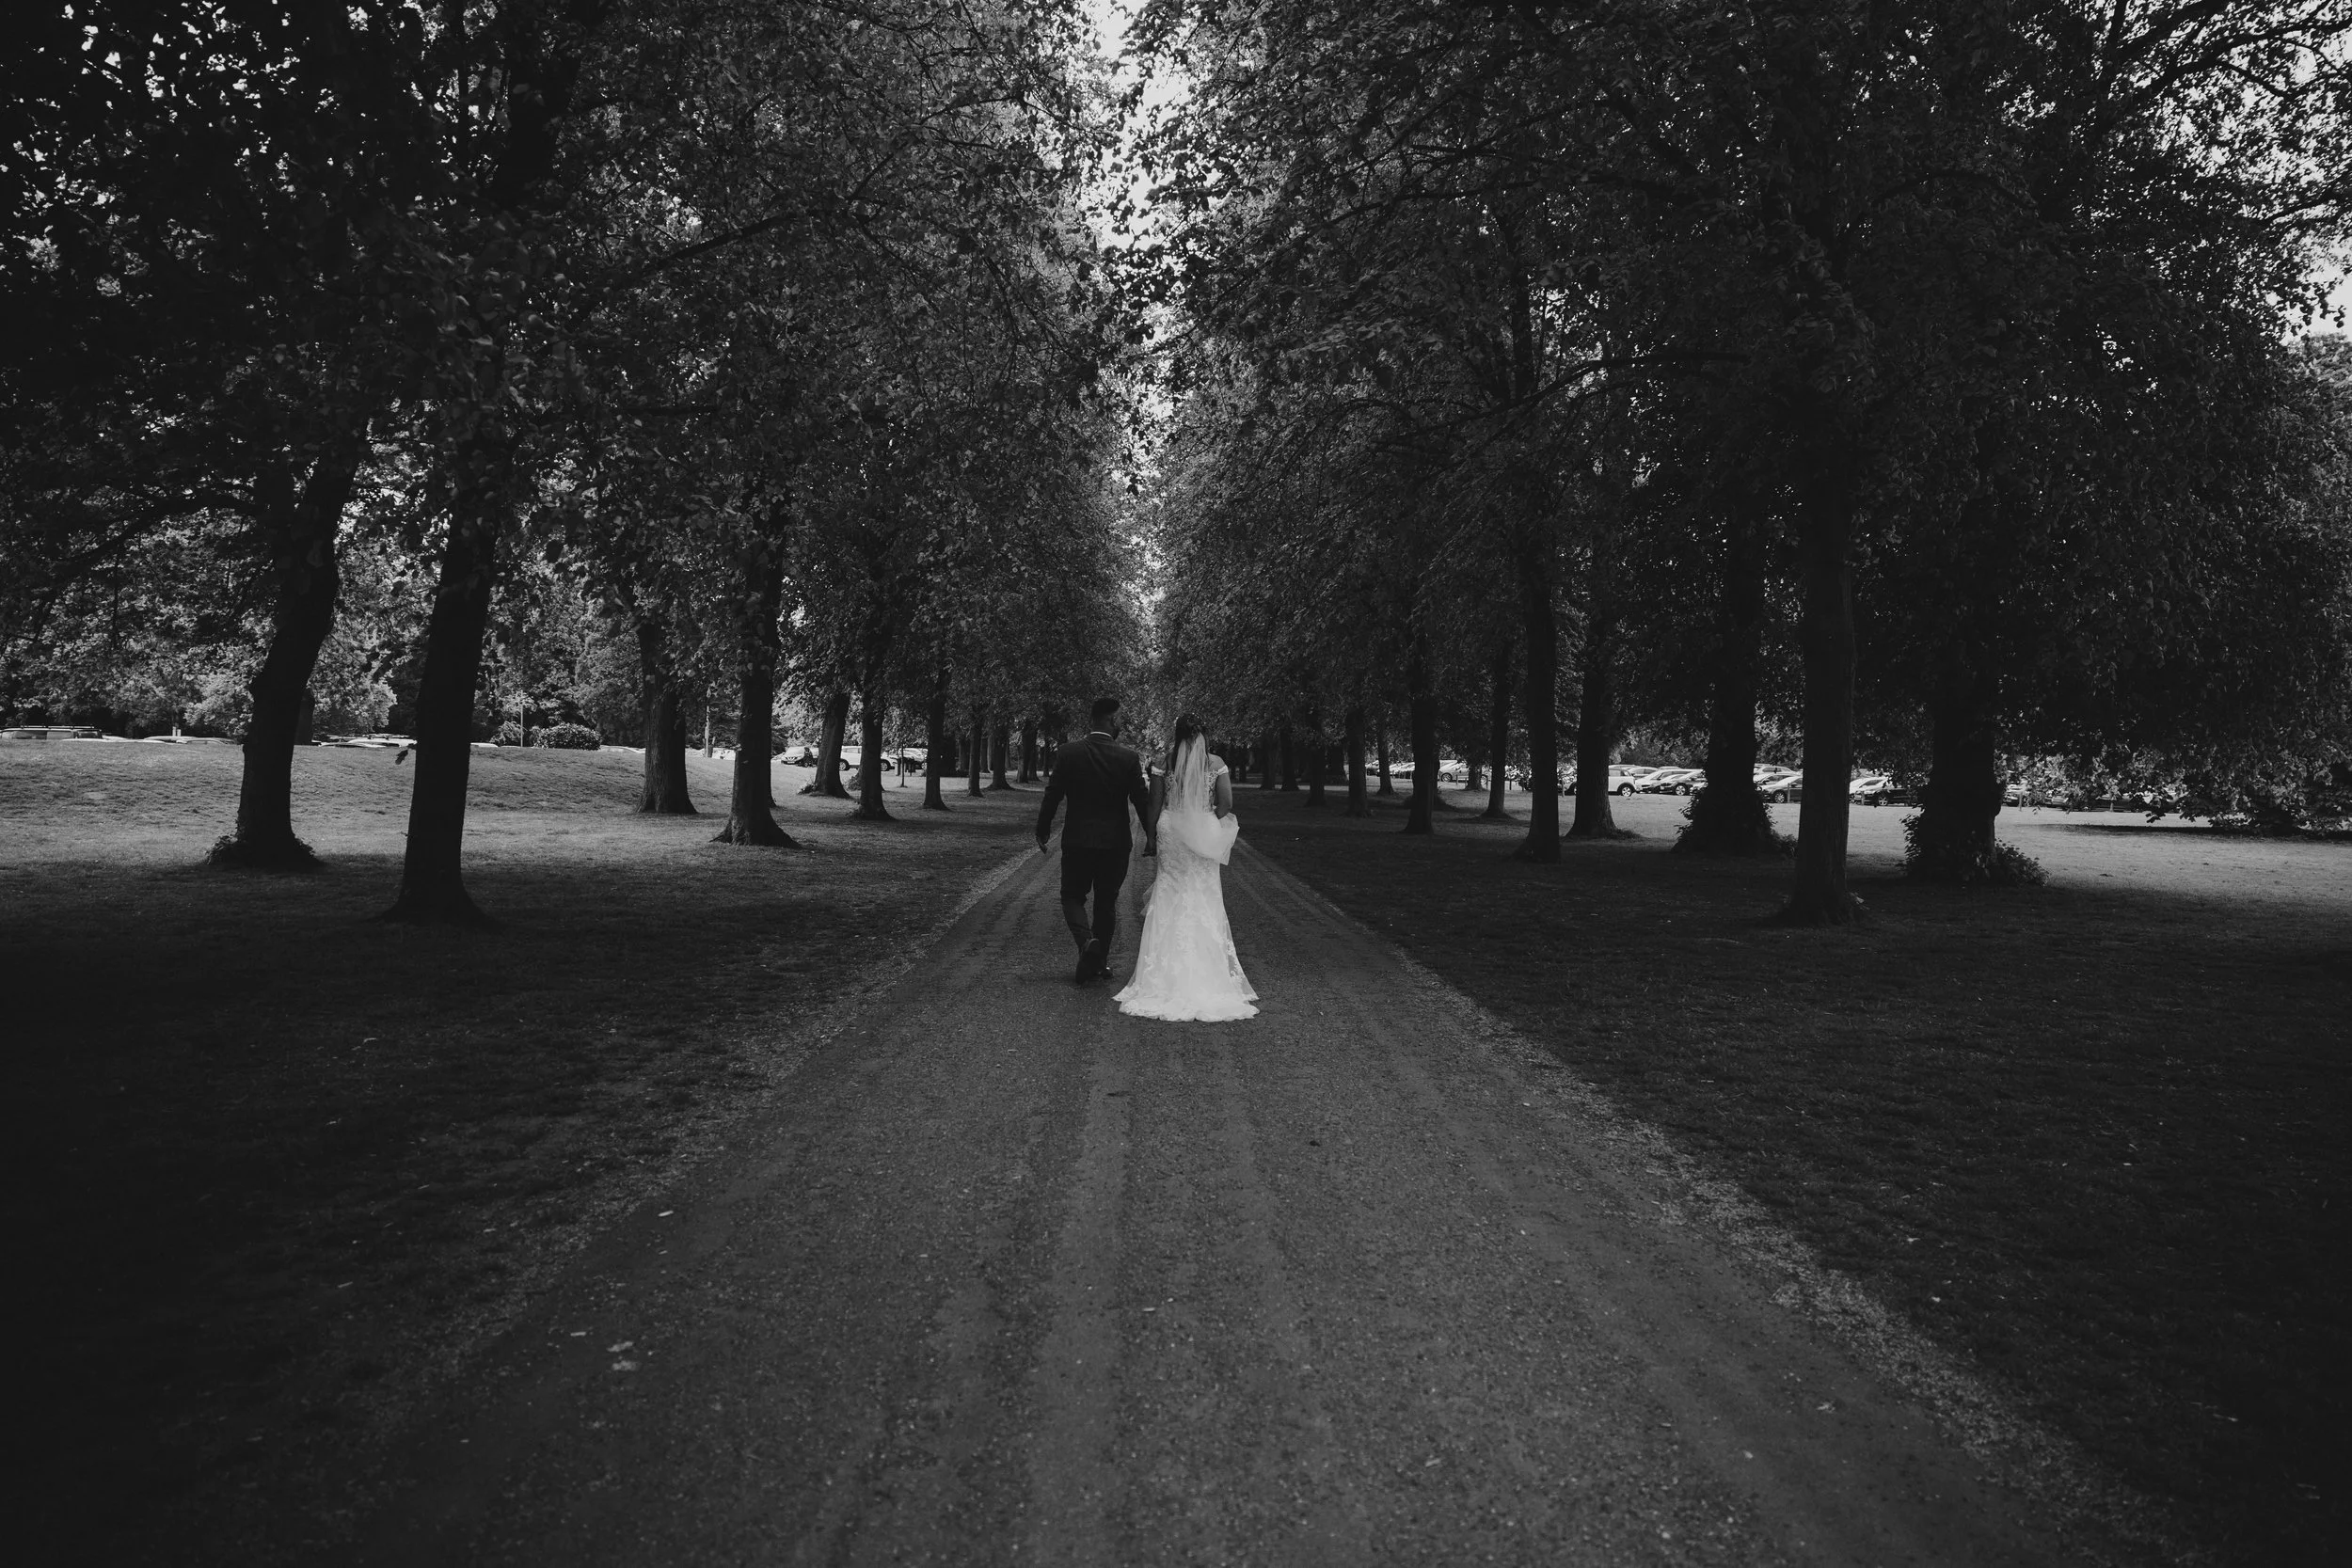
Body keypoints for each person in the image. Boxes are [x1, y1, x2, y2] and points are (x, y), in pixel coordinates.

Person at [1115, 714, 1258, 1022]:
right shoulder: (1216, 762)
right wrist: (1205, 822)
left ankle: (1161, 977)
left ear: (1177, 734)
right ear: (1203, 734)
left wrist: (1151, 837)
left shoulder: (1163, 762)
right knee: (1206, 893)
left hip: (1170, 829)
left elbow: (1155, 804)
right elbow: (1227, 803)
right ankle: (1210, 973)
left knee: (1169, 891)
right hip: (1203, 826)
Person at [1035, 696, 1157, 984]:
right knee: (1106, 901)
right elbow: (1142, 801)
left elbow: (1053, 794)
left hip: (1078, 839)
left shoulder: (1068, 753)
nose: (1122, 725)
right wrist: (1151, 838)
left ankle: (1086, 942)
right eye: (1120, 720)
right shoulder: (1128, 758)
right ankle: (1099, 963)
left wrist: (1042, 828)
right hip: (1115, 843)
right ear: (1111, 719)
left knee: (1071, 896)